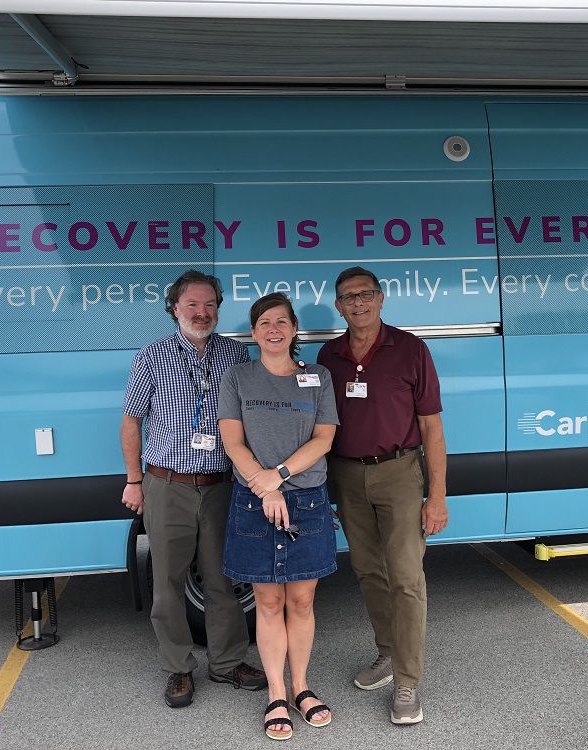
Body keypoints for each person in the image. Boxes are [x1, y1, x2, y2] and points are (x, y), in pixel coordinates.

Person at [120, 270, 267, 709]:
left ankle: (226, 664)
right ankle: (179, 669)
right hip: (168, 485)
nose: (202, 313)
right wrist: (133, 481)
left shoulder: (236, 355)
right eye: (192, 305)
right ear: (174, 308)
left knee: (225, 580)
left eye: (210, 305)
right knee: (168, 583)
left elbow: (254, 418)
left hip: (223, 485)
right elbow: (132, 421)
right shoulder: (152, 356)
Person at [316, 266, 449, 725]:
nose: (358, 303)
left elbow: (432, 426)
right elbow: (319, 430)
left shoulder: (410, 348)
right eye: (348, 297)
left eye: (365, 294)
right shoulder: (328, 355)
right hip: (347, 477)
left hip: (400, 474)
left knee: (407, 578)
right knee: (368, 571)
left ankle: (408, 683)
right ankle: (387, 655)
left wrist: (438, 495)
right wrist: (322, 492)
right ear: (338, 305)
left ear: (381, 297)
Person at [218, 292, 339, 741]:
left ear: (294, 330)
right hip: (254, 502)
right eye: (264, 322)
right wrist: (264, 486)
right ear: (253, 332)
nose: (273, 329)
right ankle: (275, 692)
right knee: (268, 603)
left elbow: (324, 438)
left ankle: (301, 687)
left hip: (306, 500)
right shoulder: (238, 377)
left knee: (302, 601)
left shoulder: (318, 377)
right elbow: (233, 443)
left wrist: (279, 477)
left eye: (282, 322)